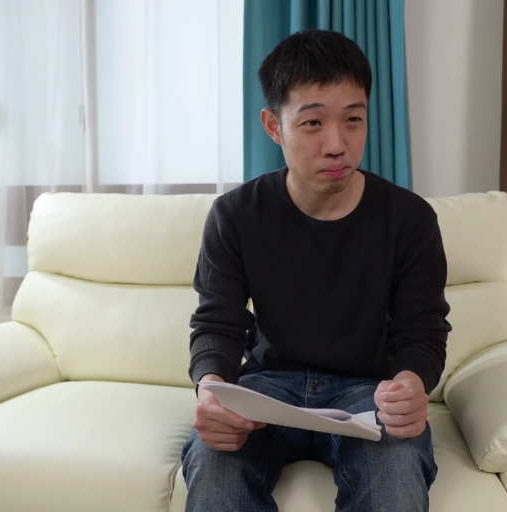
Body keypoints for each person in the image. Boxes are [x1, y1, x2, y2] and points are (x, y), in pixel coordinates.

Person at [181, 28, 451, 512]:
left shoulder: (410, 219)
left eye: (353, 120)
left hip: (368, 392)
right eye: (312, 123)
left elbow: (422, 330)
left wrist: (412, 382)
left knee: (394, 477)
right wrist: (211, 389)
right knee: (216, 468)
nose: (337, 144)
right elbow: (217, 322)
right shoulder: (235, 215)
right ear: (274, 126)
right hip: (267, 389)